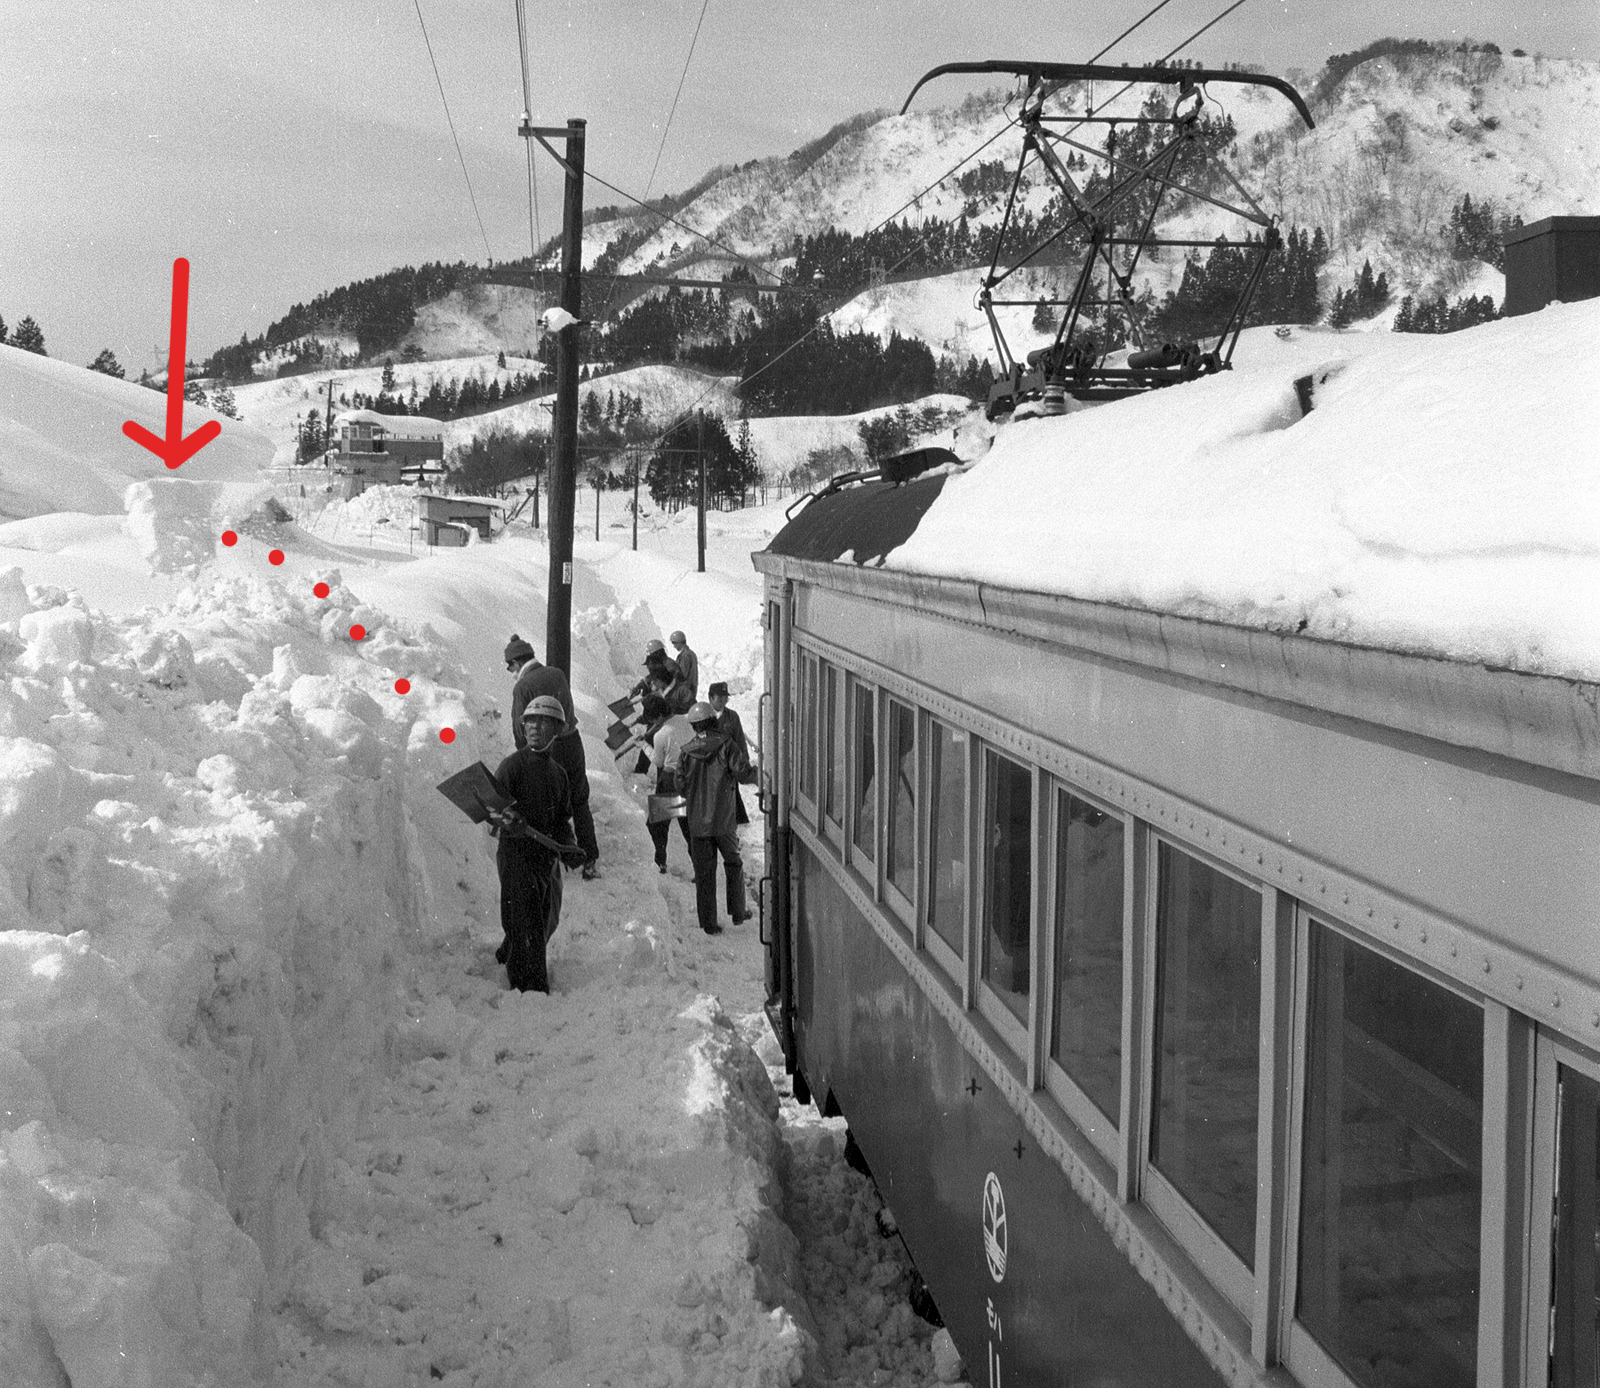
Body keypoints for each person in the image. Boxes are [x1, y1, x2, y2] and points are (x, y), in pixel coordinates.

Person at [489, 696, 579, 993]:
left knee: (544, 919)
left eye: (542, 721)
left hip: (545, 858)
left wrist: (569, 846)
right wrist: (505, 820)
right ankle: (530, 989)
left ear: (556, 729)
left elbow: (562, 821)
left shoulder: (559, 775)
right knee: (524, 918)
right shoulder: (511, 767)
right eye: (529, 721)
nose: (534, 727)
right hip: (516, 855)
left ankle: (508, 952)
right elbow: (491, 812)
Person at [506, 634, 600, 879]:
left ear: (516, 664)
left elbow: (520, 728)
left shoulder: (522, 687)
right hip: (572, 742)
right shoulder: (557, 673)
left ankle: (557, 857)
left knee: (549, 806)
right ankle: (590, 857)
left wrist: (524, 756)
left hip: (548, 750)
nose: (512, 673)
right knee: (579, 800)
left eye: (510, 668)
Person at [679, 700, 752, 934]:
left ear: (694, 726)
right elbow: (742, 772)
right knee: (733, 863)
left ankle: (709, 923)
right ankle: (738, 911)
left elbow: (680, 784)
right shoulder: (727, 746)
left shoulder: (685, 752)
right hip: (724, 821)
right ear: (713, 721)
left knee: (704, 873)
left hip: (698, 823)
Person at [643, 692, 694, 872]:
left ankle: (660, 862)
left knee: (657, 825)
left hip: (670, 780)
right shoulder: (687, 719)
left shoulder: (661, 735)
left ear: (658, 716)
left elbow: (658, 762)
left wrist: (642, 745)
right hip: (690, 778)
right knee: (689, 828)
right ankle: (700, 868)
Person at [707, 681, 755, 826]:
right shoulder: (704, 715)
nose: (723, 702)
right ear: (710, 698)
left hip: (729, 766)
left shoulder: (732, 717)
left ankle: (735, 827)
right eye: (719, 699)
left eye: (725, 698)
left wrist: (743, 763)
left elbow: (740, 740)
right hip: (710, 766)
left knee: (731, 798)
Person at [670, 630, 699, 704]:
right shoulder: (691, 653)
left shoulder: (685, 656)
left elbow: (682, 675)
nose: (673, 646)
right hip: (690, 690)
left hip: (685, 691)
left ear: (679, 642)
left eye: (674, 643)